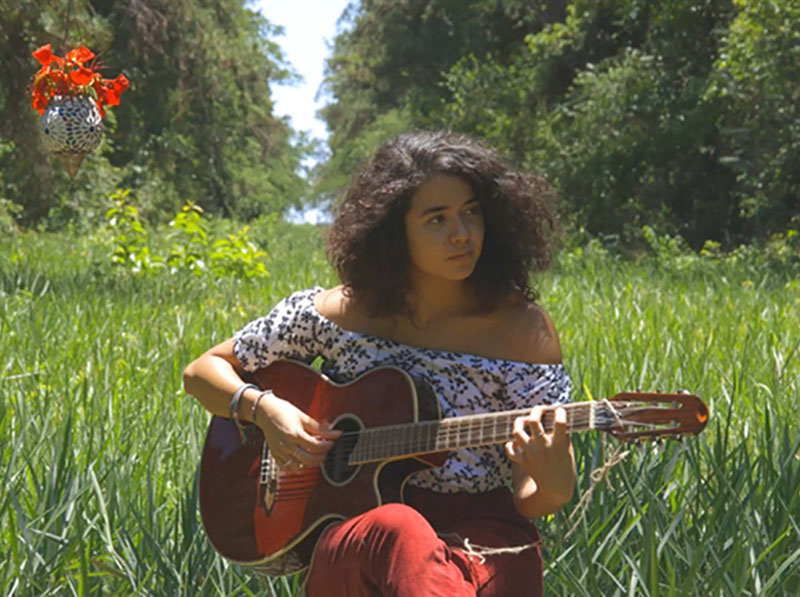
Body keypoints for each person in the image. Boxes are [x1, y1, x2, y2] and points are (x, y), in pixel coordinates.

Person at [183, 130, 575, 596]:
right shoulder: (338, 314)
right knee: (397, 527)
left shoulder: (522, 332)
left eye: (472, 213)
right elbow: (202, 374)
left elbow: (534, 499)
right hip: (364, 539)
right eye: (436, 219)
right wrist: (266, 410)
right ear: (393, 231)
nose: (462, 234)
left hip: (484, 538)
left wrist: (554, 483)